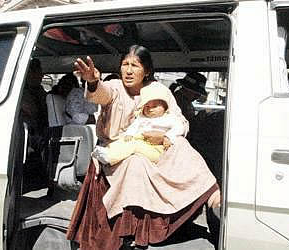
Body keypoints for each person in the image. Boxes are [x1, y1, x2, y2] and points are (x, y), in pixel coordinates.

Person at [66, 45, 220, 250]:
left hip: (151, 146)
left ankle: (211, 193)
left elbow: (180, 122)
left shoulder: (159, 90)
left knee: (181, 145)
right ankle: (130, 232)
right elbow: (100, 94)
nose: (128, 71)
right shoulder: (115, 87)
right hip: (117, 151)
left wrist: (164, 135)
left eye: (135, 66)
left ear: (146, 70)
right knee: (135, 163)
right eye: (125, 65)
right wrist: (93, 81)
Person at [91, 83, 185, 165]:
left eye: (155, 106)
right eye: (147, 106)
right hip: (139, 141)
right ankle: (107, 151)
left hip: (156, 149)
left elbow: (179, 127)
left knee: (134, 146)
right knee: (122, 142)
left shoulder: (169, 118)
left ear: (165, 107)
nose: (150, 109)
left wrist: (168, 136)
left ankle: (109, 157)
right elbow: (134, 126)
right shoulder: (142, 118)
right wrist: (129, 134)